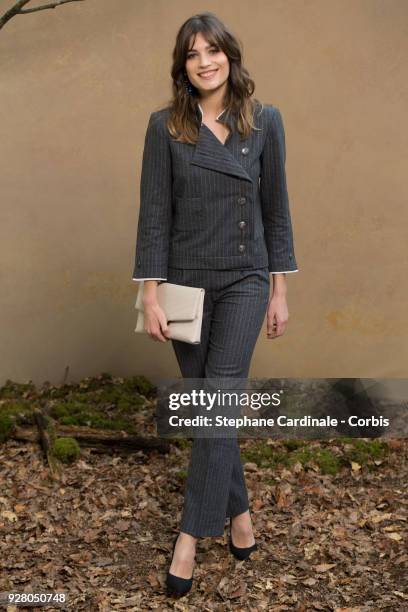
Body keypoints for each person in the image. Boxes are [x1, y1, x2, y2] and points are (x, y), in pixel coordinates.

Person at [132, 12, 299, 597]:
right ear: (183, 66)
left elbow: (276, 210)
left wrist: (280, 289)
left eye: (214, 50)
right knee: (212, 409)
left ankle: (188, 537)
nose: (205, 61)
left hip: (246, 281)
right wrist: (149, 294)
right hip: (184, 287)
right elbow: (154, 214)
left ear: (230, 55)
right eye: (193, 54)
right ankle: (240, 514)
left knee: (218, 396)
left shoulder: (264, 122)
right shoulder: (165, 127)